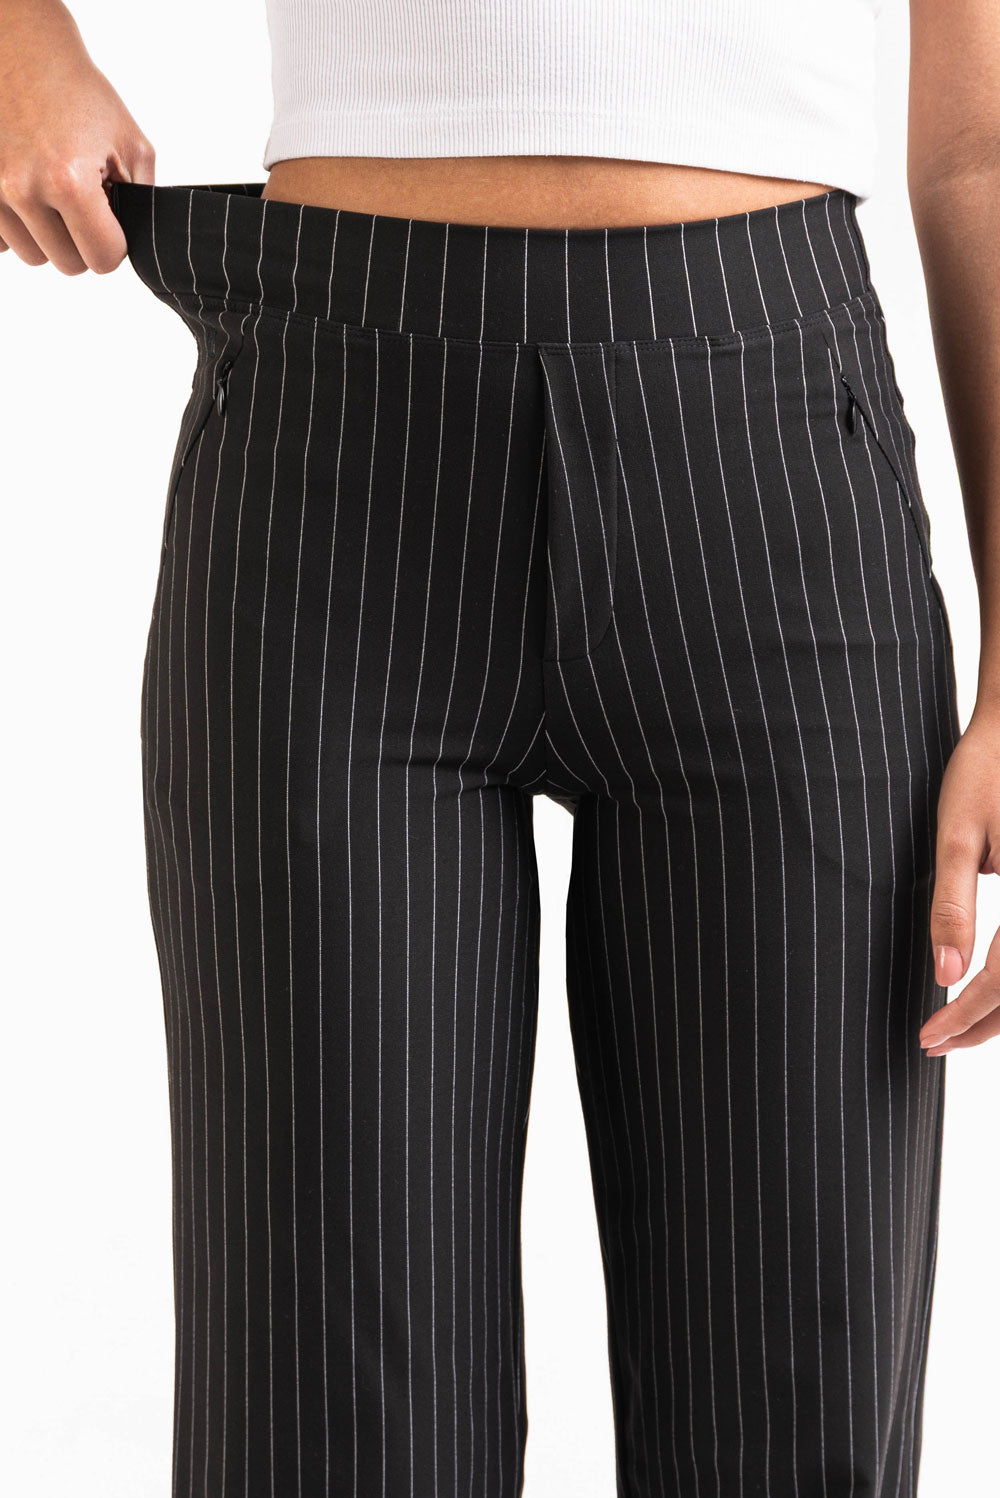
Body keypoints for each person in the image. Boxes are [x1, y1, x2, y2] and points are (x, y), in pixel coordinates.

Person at [2, 0, 997, 1493]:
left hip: (772, 471)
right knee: (323, 1428)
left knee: (796, 1420)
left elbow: (981, 140)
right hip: (339, 468)